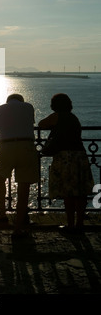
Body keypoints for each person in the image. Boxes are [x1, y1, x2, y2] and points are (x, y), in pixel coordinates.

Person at [0, 93, 39, 237]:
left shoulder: (0, 108)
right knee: (24, 185)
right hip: (27, 146)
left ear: (7, 101)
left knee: (0, 178)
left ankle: (2, 214)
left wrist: (2, 125)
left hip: (6, 146)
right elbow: (30, 122)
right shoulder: (28, 107)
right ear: (21, 101)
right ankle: (19, 226)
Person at [38, 93, 94, 233]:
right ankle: (79, 223)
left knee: (68, 192)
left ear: (54, 105)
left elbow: (41, 124)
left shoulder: (57, 116)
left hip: (65, 157)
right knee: (80, 192)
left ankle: (70, 224)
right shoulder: (74, 118)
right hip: (80, 155)